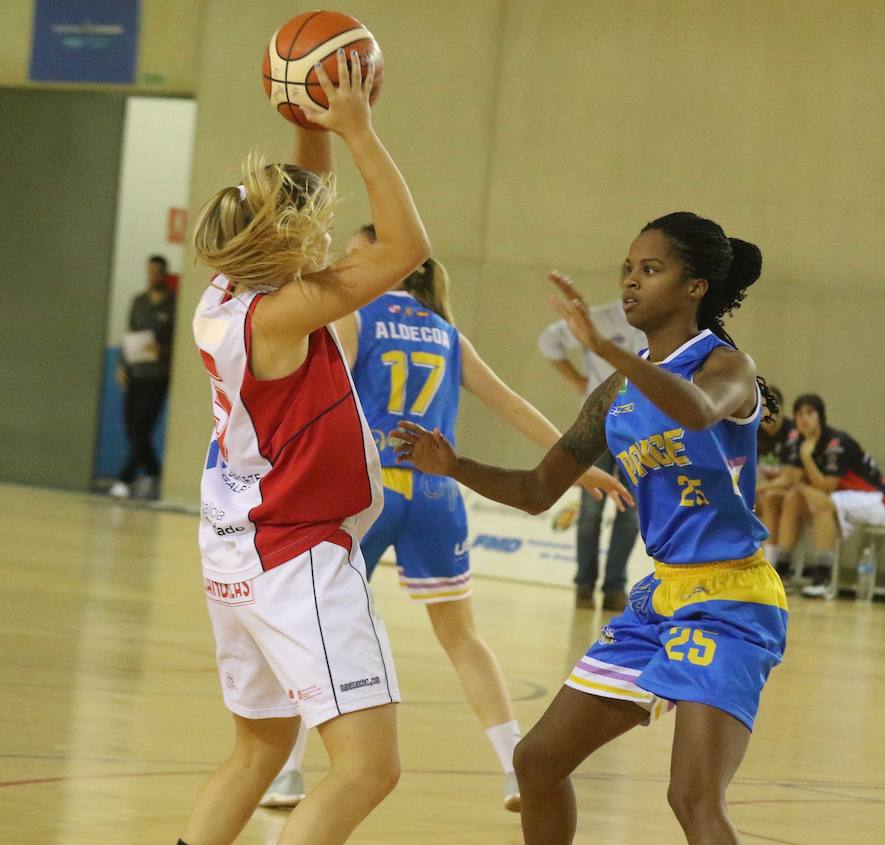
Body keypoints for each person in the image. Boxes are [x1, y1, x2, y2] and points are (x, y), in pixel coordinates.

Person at [261, 135, 632, 813]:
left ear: (385, 261)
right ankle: (517, 767)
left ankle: (285, 772)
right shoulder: (444, 330)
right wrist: (582, 470)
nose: (344, 259)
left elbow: (313, 399)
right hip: (436, 494)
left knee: (310, 634)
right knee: (461, 637)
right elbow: (516, 405)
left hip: (366, 492)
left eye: (355, 252)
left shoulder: (350, 315)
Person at [392, 212, 788, 845]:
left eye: (651, 269)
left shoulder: (727, 369)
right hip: (661, 599)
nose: (631, 282)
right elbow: (535, 490)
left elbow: (695, 411)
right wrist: (455, 465)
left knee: (692, 798)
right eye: (627, 269)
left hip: (732, 603)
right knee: (537, 763)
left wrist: (604, 348)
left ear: (696, 287)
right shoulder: (614, 395)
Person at [178, 53, 429, 845]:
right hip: (298, 557)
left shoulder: (225, 299)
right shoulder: (283, 317)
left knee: (258, 748)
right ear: (284, 253)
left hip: (236, 552)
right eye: (306, 229)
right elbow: (406, 247)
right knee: (367, 768)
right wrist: (357, 128)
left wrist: (304, 123)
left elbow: (303, 205)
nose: (321, 225)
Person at [538, 298, 645, 610]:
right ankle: (584, 584)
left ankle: (615, 587)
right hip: (596, 426)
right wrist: (578, 380)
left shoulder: (662, 322)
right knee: (591, 509)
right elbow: (549, 340)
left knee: (630, 512)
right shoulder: (599, 317)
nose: (635, 282)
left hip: (641, 429)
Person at [769, 393, 885, 598]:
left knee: (823, 502)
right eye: (799, 414)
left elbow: (826, 486)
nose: (803, 419)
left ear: (821, 417)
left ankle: (823, 578)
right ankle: (781, 571)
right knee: (793, 498)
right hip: (844, 498)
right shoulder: (798, 441)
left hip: (877, 500)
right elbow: (794, 480)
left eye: (810, 413)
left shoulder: (837, 442)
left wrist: (807, 458)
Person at [109, 255, 176, 499]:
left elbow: (181, 341)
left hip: (157, 374)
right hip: (136, 370)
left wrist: (164, 350)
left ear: (164, 274)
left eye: (158, 271)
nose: (153, 276)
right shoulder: (138, 301)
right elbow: (129, 333)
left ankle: (124, 479)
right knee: (131, 426)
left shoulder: (173, 304)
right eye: (150, 271)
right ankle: (153, 471)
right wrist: (121, 366)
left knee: (143, 425)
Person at [754, 384, 795, 564]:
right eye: (761, 408)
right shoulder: (756, 433)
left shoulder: (791, 433)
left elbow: (788, 479)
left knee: (769, 497)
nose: (766, 413)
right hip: (770, 488)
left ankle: (770, 562)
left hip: (794, 489)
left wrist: (758, 488)